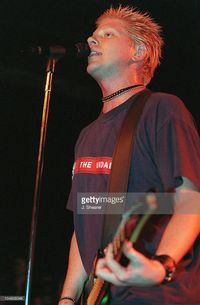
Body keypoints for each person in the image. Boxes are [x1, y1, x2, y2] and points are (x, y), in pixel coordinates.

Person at [59, 5, 200, 305]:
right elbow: (84, 223)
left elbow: (191, 199)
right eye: (93, 35)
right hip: (101, 295)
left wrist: (162, 265)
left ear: (138, 52)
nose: (92, 41)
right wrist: (69, 297)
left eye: (107, 34)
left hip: (157, 294)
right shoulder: (88, 134)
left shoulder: (162, 110)